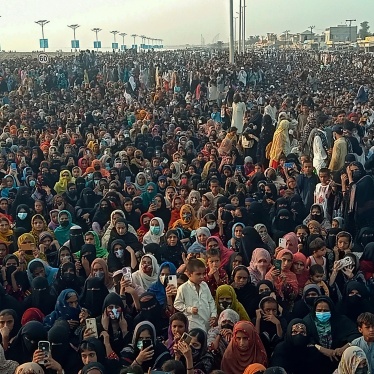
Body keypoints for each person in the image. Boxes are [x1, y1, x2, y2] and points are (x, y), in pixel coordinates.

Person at [174, 259, 217, 332]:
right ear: (189, 274)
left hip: (207, 321)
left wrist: (213, 315)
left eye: (203, 274)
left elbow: (211, 301)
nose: (202, 277)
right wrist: (189, 309)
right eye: (198, 274)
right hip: (193, 321)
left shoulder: (204, 285)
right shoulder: (183, 288)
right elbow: (177, 304)